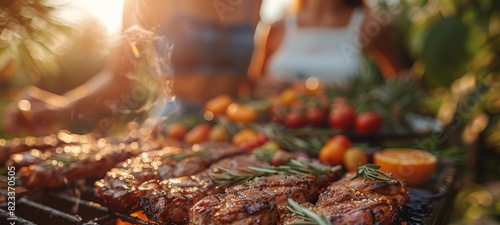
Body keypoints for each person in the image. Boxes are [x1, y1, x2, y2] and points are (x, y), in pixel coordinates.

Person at [3, 0, 262, 136]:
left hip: (233, 132)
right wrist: (63, 106)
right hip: (170, 129)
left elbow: (244, 76)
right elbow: (118, 78)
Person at [249, 0, 405, 98]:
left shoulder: (370, 24)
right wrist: (263, 87)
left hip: (345, 138)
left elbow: (399, 80)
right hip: (280, 133)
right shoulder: (278, 27)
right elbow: (252, 86)